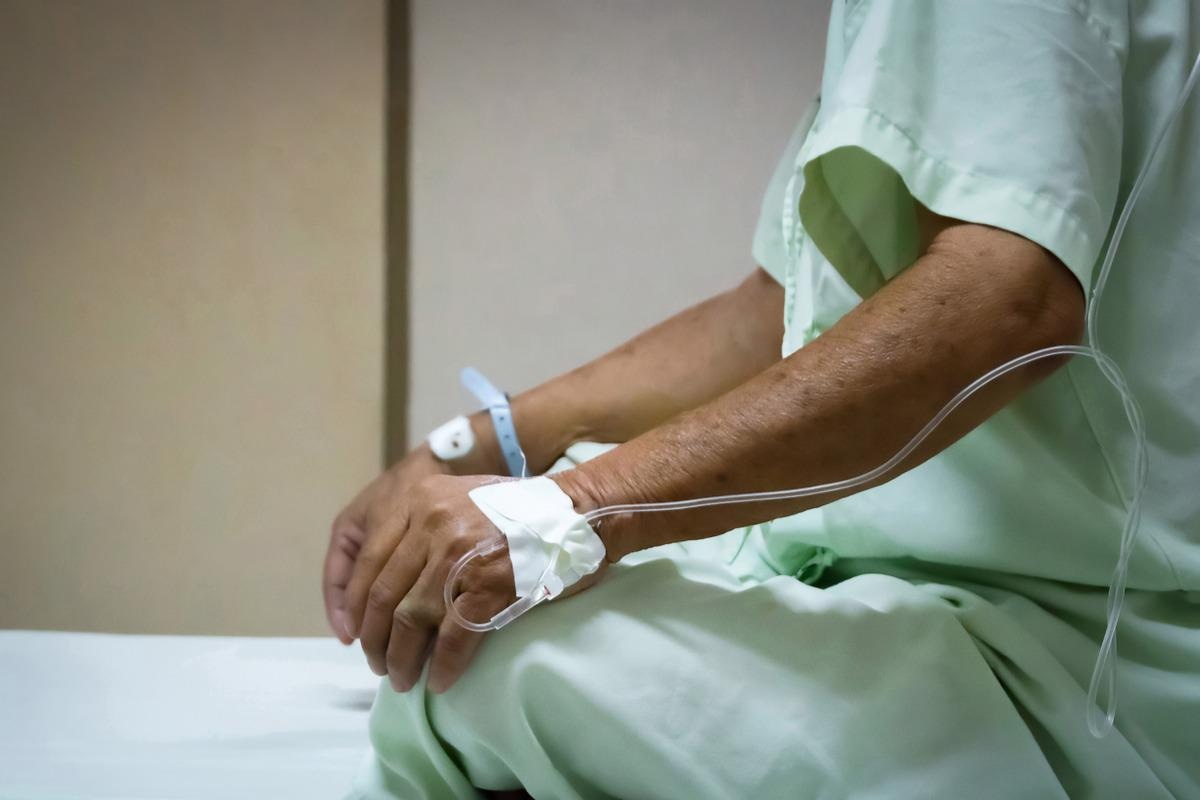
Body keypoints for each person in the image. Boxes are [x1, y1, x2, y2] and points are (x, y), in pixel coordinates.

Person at [326, 2, 1200, 798]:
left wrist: (569, 515)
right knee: (497, 567)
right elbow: (784, 313)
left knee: (489, 650)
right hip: (927, 580)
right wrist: (491, 442)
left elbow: (1004, 300)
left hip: (1084, 656)